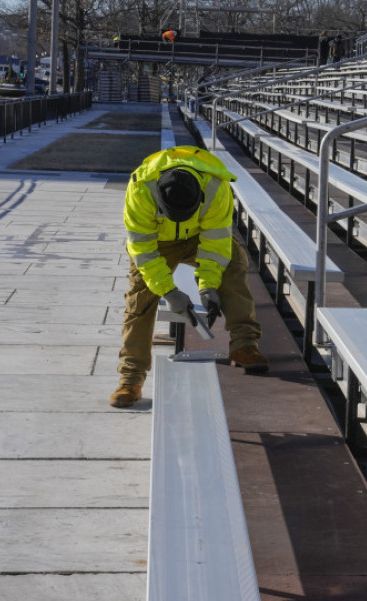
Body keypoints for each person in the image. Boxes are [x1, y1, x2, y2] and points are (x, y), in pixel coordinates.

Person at [111, 145, 268, 407]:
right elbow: (142, 249)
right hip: (158, 242)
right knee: (140, 299)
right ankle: (131, 377)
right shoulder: (140, 189)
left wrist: (208, 287)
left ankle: (245, 344)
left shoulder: (216, 188)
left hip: (198, 236)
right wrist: (169, 292)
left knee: (234, 262)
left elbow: (216, 243)